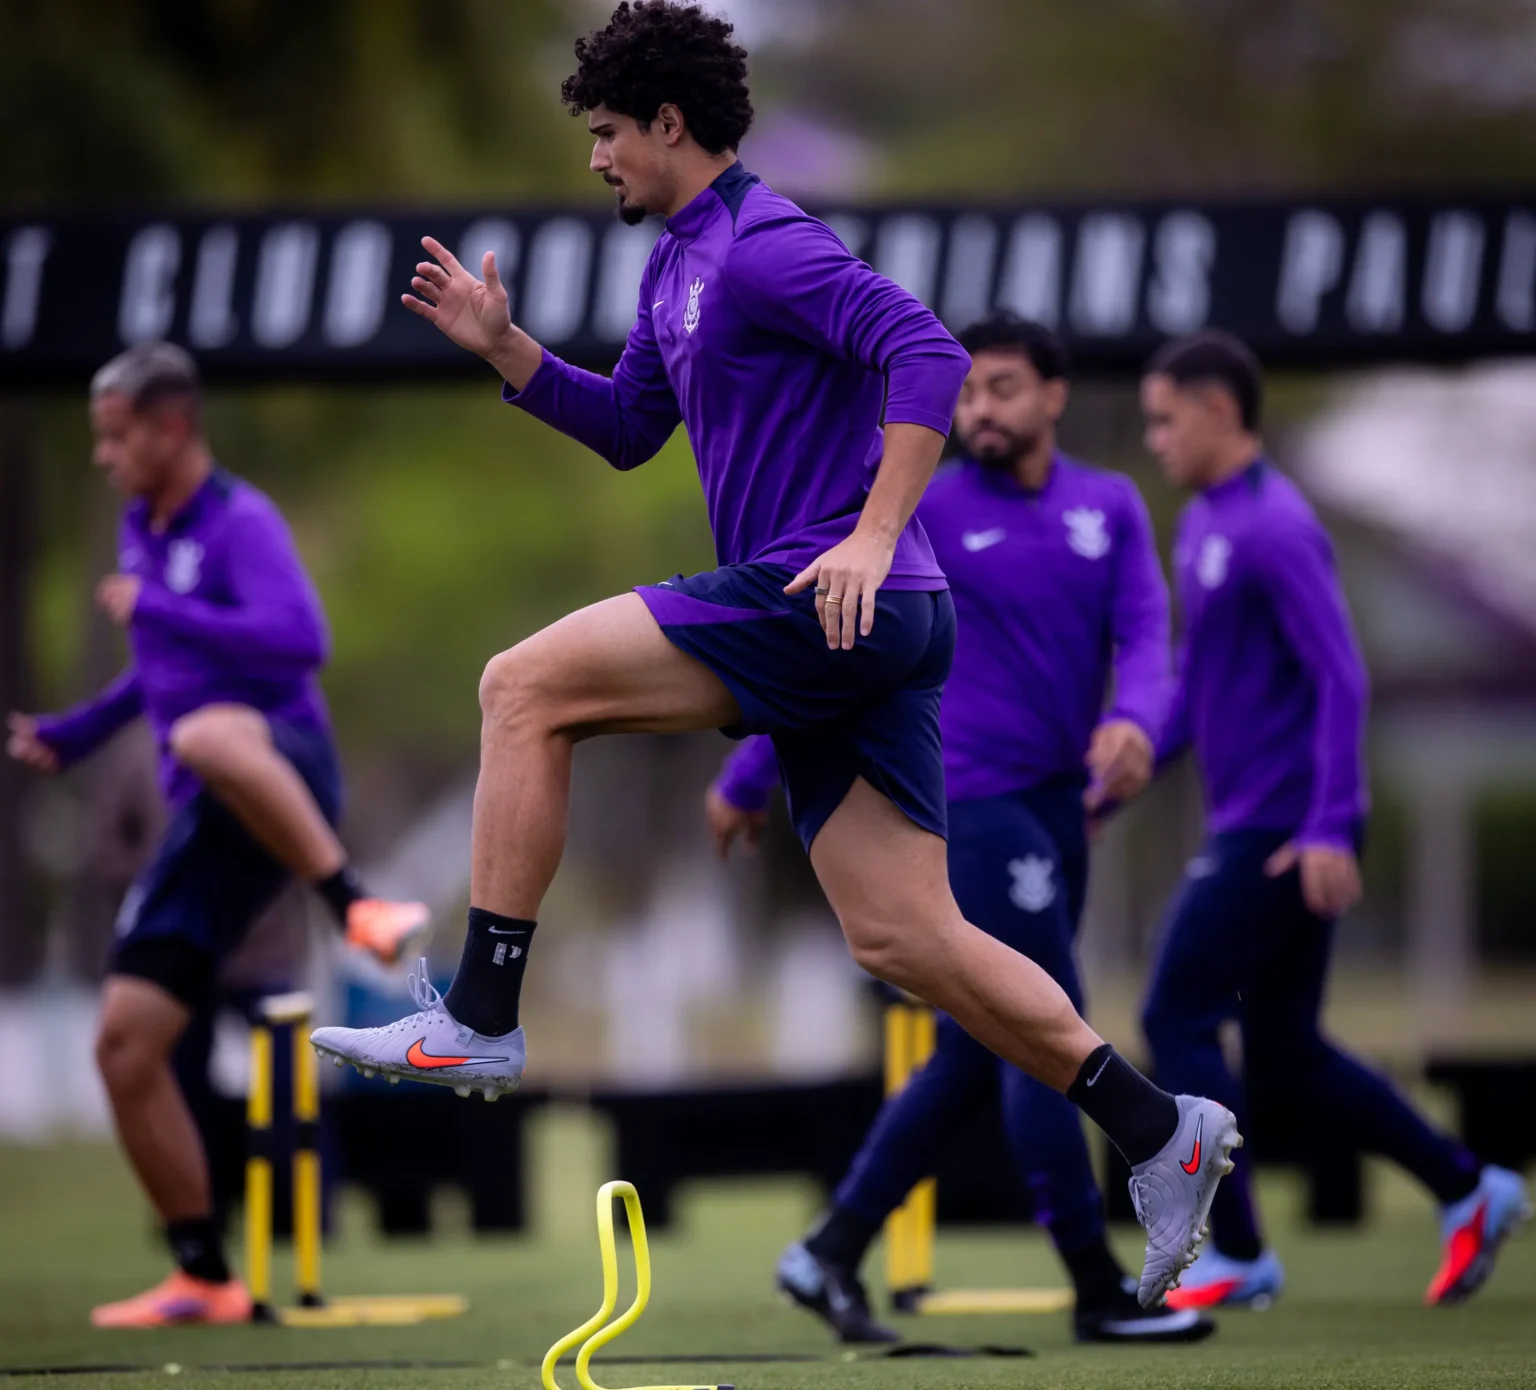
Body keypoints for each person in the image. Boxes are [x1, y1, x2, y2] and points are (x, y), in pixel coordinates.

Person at [309, 0, 1237, 1309]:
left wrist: (868, 534)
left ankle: (480, 1014)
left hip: (826, 592)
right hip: (866, 624)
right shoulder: (677, 265)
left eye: (609, 133)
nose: (596, 158)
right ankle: (1159, 1129)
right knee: (909, 935)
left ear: (671, 125)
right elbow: (632, 424)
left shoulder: (763, 244)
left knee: (520, 687)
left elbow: (924, 349)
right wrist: (508, 351)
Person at [706, 314, 1209, 1344]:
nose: (980, 409)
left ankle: (830, 1248)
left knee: (977, 1049)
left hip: (1059, 809)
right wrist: (749, 769)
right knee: (1043, 1032)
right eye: (968, 392)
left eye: (1005, 389)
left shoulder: (1107, 508)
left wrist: (1137, 723)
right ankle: (1098, 1287)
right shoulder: (917, 508)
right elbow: (831, 637)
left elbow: (1150, 639)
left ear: (1054, 396)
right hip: (964, 807)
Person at [6, 342, 430, 1328]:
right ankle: (202, 1270)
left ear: (171, 428)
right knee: (126, 1042)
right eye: (98, 440)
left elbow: (301, 641)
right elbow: (154, 666)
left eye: (116, 437)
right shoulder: (136, 526)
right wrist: (76, 734)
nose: (106, 457)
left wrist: (166, 607)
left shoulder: (241, 521)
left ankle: (352, 902)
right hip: (208, 806)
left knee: (205, 732)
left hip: (280, 763)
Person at [1136, 329, 1531, 1310]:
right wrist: (1128, 767)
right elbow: (1198, 681)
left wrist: (1330, 822)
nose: (1153, 439)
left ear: (1220, 412)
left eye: (1164, 419)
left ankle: (1239, 1252)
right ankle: (1468, 1184)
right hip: (1263, 820)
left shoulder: (1276, 525)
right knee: (1284, 1050)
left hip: (1281, 828)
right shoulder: (1202, 523)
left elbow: (1341, 673)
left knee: (1172, 1013)